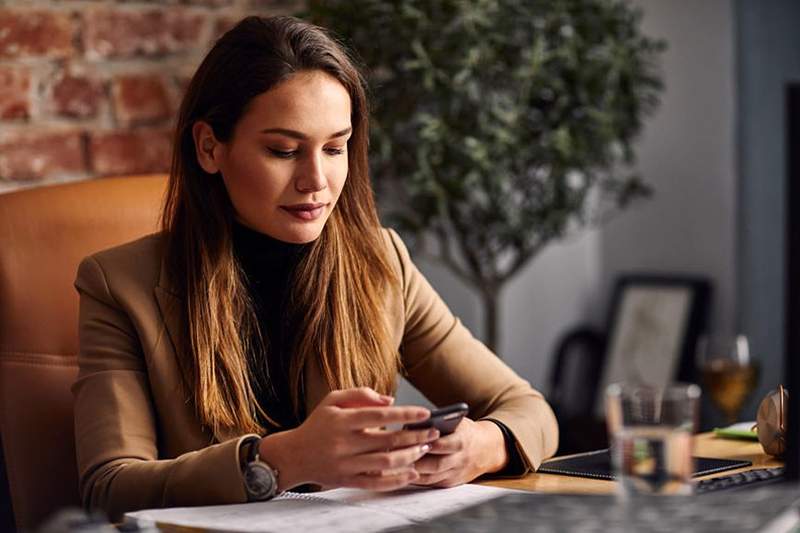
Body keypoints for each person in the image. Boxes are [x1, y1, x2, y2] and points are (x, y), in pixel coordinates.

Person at [72, 15, 559, 521]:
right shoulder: (118, 285)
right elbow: (110, 488)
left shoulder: (381, 261)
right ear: (209, 147)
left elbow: (530, 410)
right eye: (283, 150)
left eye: (334, 148)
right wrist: (283, 459)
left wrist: (482, 444)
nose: (317, 181)